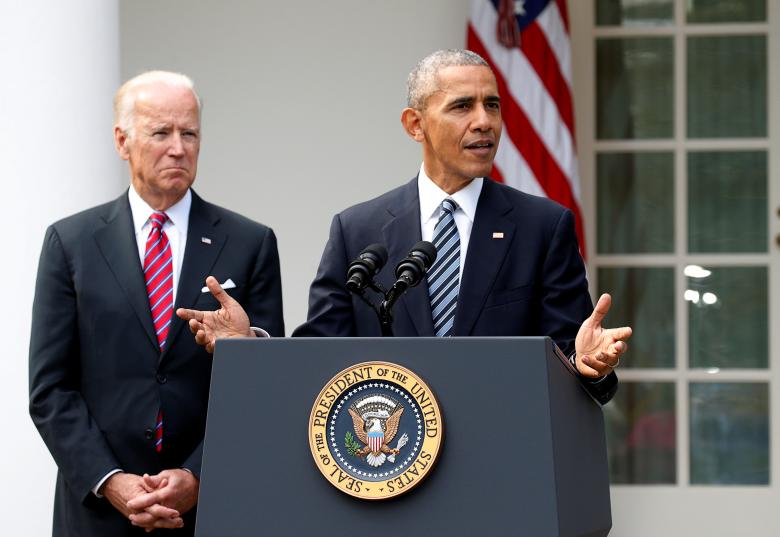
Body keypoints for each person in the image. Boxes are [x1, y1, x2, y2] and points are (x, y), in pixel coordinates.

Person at [179, 49, 631, 403]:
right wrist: (248, 345)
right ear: (415, 124)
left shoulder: (543, 227)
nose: (484, 122)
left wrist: (587, 362)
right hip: (390, 471)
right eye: (462, 106)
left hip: (506, 469)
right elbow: (317, 357)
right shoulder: (357, 230)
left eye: (492, 105)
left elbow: (572, 358)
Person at [29, 71, 284, 536]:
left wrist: (198, 476)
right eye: (161, 132)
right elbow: (50, 389)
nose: (179, 147)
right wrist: (111, 481)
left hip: (213, 511)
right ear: (122, 141)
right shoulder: (71, 243)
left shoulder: (251, 242)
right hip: (99, 514)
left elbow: (267, 385)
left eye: (189, 133)